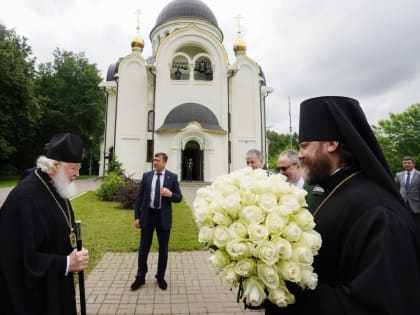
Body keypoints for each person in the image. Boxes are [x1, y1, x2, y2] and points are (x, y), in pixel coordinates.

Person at [265, 96, 420, 314]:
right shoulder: (334, 190)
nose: (299, 156)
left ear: (332, 144)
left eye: (305, 146)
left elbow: (378, 304)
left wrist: (288, 291)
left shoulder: (379, 212)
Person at [0, 133, 89, 315]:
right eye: (74, 168)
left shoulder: (56, 187)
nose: (77, 174)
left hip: (57, 288)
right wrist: (65, 263)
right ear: (55, 165)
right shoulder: (25, 197)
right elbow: (17, 258)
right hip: (36, 300)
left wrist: (72, 257)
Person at [131, 152, 182, 291]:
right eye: (154, 160)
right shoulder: (147, 176)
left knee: (163, 249)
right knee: (143, 248)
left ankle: (160, 277)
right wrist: (137, 217)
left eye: (158, 161)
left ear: (164, 162)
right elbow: (140, 198)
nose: (155, 162)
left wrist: (170, 194)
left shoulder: (172, 177)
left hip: (163, 217)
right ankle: (140, 277)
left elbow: (179, 197)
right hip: (148, 216)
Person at [395, 156, 420, 226]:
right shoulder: (398, 175)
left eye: (409, 163)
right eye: (404, 163)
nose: (406, 164)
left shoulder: (419, 174)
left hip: (416, 204)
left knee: (417, 224)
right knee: (404, 223)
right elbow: (396, 188)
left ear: (413, 164)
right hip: (403, 203)